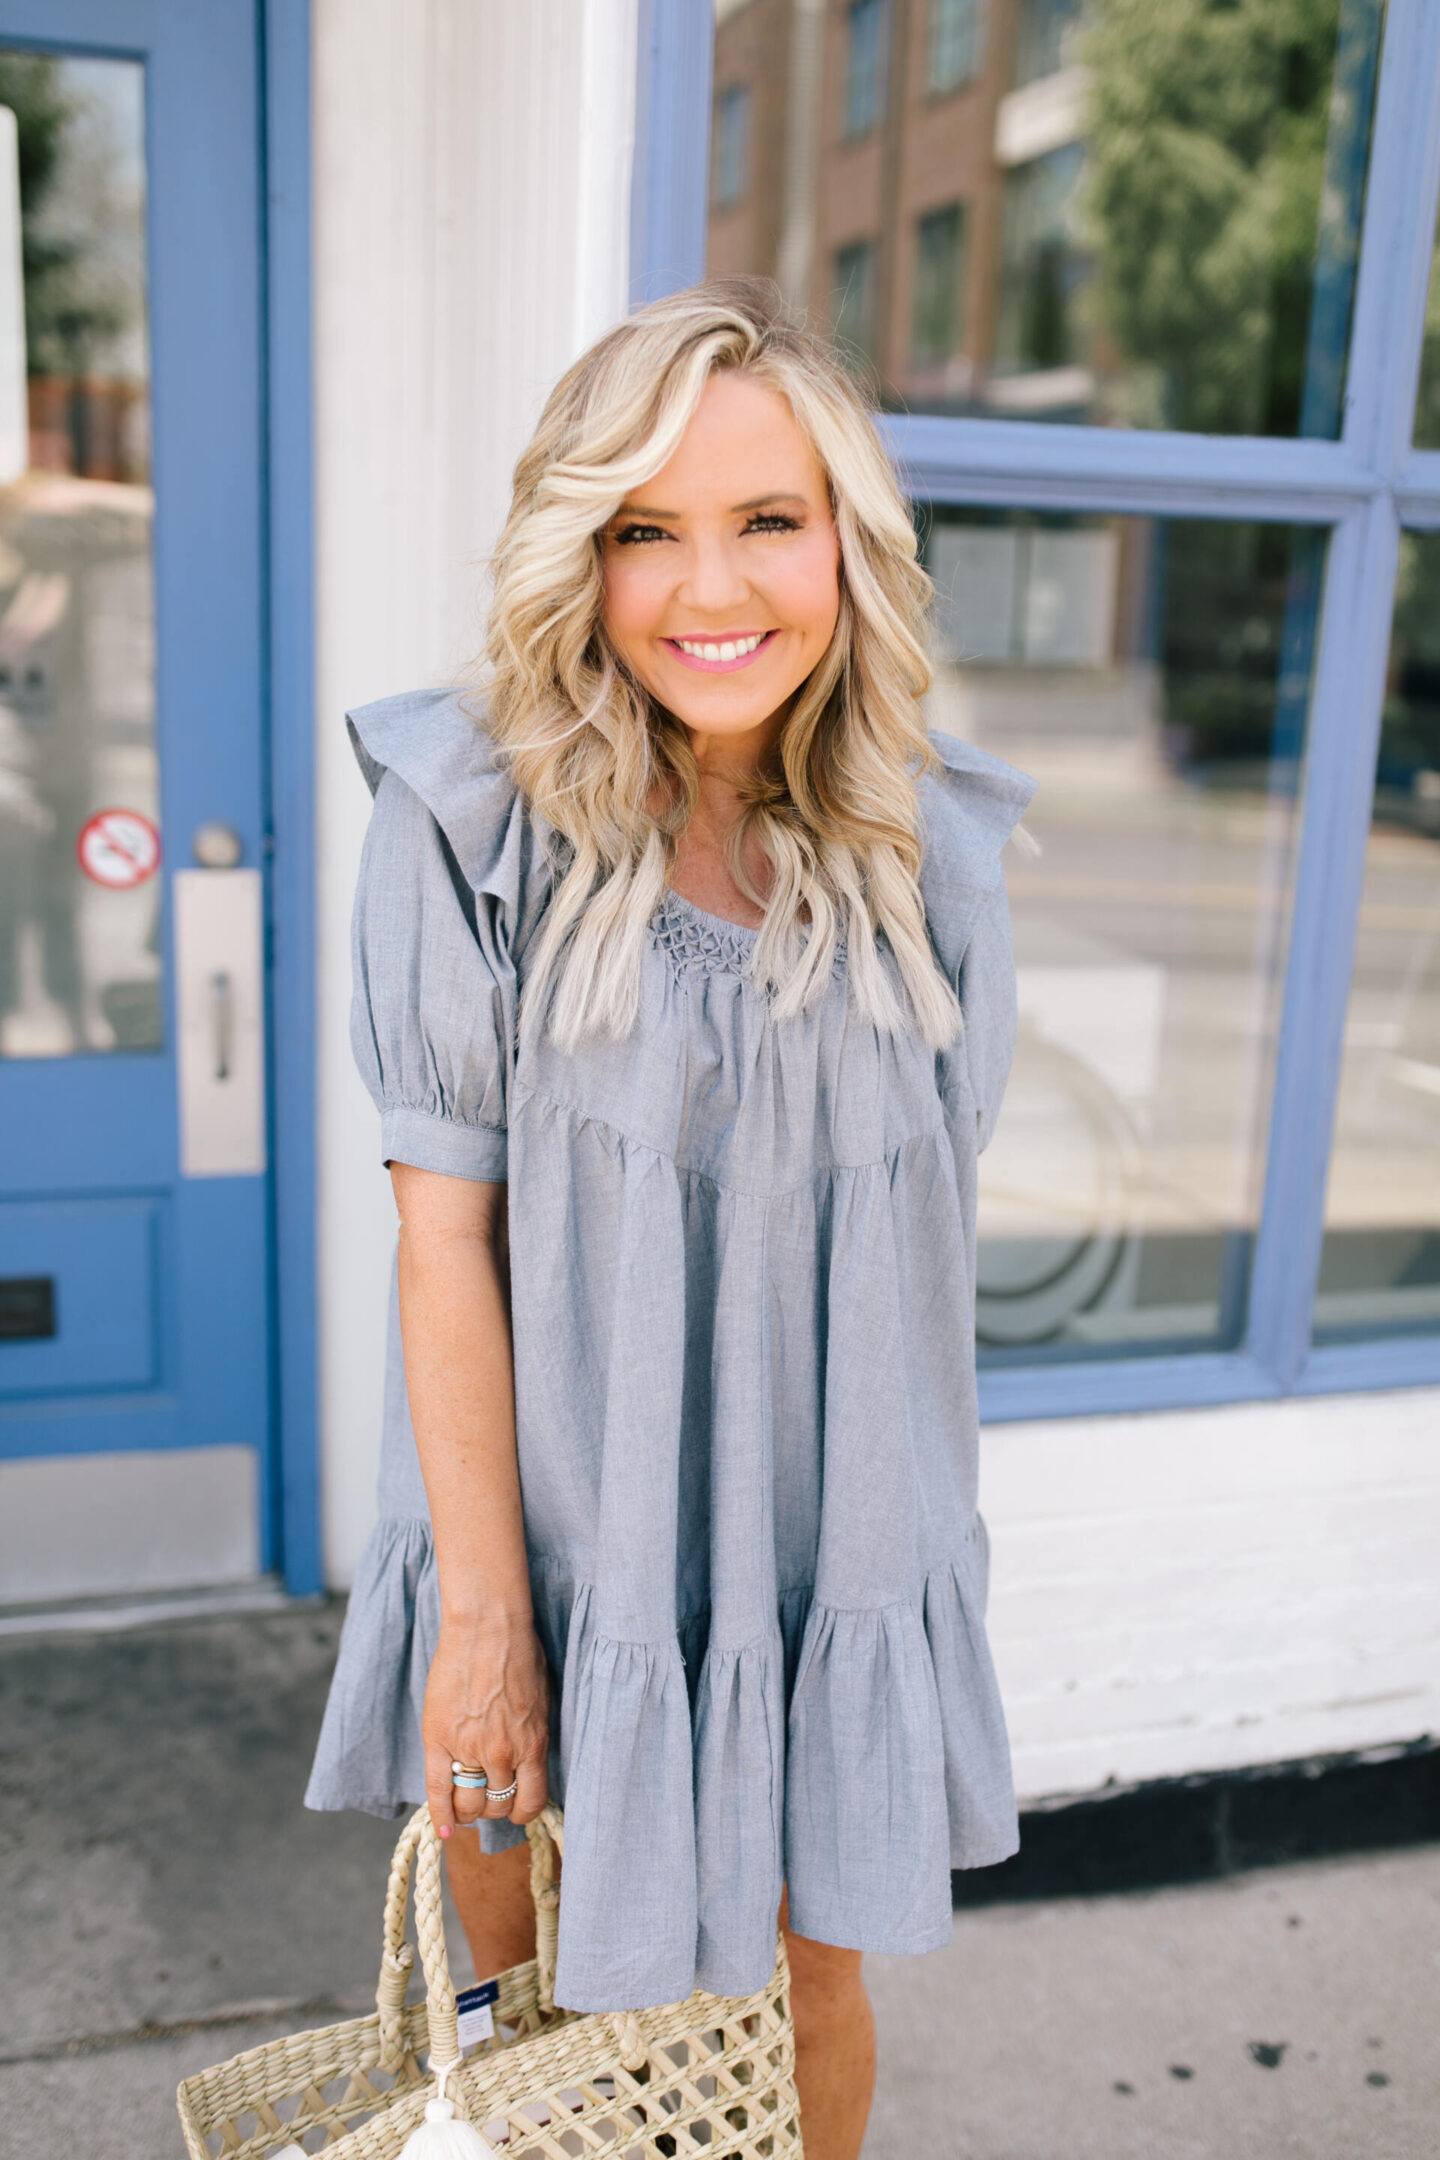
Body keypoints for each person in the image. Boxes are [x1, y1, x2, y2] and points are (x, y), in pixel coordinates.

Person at [307, 279, 1031, 2160]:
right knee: (537, 2016)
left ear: (849, 542)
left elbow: (909, 1252)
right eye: (645, 532)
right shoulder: (473, 820)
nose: (712, 588)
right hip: (549, 1555)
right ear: (585, 556)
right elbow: (442, 1241)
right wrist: (489, 1629)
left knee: (807, 1992)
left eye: (768, 519)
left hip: (815, 1547)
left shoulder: (931, 852)